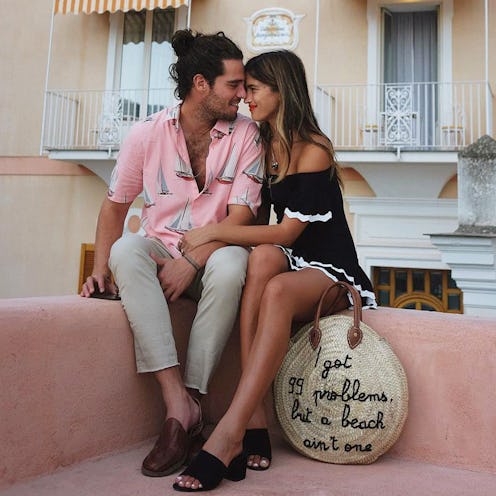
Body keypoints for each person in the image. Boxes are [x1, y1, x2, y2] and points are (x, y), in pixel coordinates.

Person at [172, 50, 377, 492]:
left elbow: (285, 233)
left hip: (332, 273)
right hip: (289, 261)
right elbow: (263, 234)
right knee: (261, 261)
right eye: (243, 88)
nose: (245, 98)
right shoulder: (266, 146)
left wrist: (212, 235)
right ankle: (258, 420)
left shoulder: (313, 149)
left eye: (255, 89)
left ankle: (230, 430)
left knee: (278, 286)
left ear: (282, 92)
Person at [80, 29, 264, 478]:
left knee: (232, 263)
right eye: (234, 85)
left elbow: (242, 220)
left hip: (216, 253)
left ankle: (194, 396)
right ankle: (177, 404)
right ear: (201, 84)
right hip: (161, 250)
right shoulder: (146, 134)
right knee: (127, 250)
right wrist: (100, 268)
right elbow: (116, 204)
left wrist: (193, 260)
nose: (243, 95)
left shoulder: (247, 135)